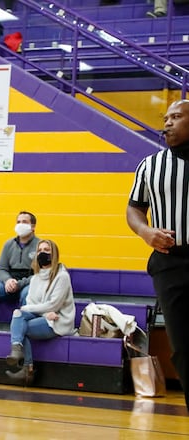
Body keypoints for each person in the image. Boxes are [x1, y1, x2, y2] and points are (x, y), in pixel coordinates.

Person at [127, 99, 189, 410]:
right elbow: (134, 209)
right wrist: (146, 232)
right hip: (170, 261)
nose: (167, 123)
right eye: (166, 118)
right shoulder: (151, 165)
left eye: (176, 117)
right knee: (182, 347)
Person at [5, 239, 75, 386]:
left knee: (21, 327)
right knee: (18, 313)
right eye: (40, 250)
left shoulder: (62, 276)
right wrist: (43, 313)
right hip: (45, 316)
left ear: (54, 254)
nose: (42, 253)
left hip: (58, 320)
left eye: (47, 250)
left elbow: (54, 304)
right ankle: (16, 349)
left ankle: (27, 369)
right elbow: (31, 303)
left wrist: (33, 310)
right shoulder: (36, 277)